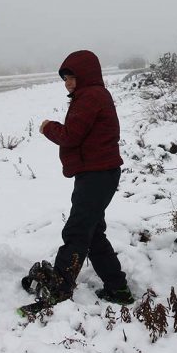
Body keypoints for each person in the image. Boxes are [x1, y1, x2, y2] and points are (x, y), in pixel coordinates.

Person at [36, 49, 132, 307]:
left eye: (71, 77)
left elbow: (71, 136)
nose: (67, 83)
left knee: (77, 231)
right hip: (98, 173)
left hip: (97, 176)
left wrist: (48, 127)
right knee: (93, 233)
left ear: (86, 75)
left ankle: (60, 287)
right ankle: (118, 289)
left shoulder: (90, 97)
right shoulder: (92, 95)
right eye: (65, 79)